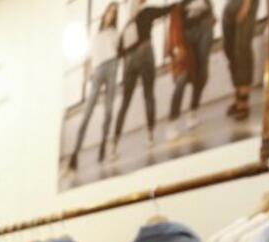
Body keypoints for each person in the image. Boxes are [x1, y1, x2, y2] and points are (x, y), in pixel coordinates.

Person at [111, 0, 180, 161]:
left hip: (135, 57)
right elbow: (166, 10)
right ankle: (144, 137)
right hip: (138, 55)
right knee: (144, 97)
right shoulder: (138, 18)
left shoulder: (137, 19)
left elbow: (119, 53)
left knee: (134, 100)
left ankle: (120, 143)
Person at [68, 2, 121, 171]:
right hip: (98, 70)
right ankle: (74, 154)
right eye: (109, 12)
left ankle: (103, 146)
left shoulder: (115, 33)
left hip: (111, 67)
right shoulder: (95, 36)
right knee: (87, 113)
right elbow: (88, 59)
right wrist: (88, 75)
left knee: (108, 111)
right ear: (105, 14)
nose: (111, 15)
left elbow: (119, 52)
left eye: (114, 13)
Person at [167, 0, 216, 138]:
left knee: (202, 74)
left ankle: (193, 111)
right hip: (184, 37)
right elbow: (173, 23)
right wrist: (176, 47)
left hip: (204, 28)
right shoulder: (177, 8)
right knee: (181, 78)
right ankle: (173, 120)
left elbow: (209, 8)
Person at [222, 0, 259, 121]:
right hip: (230, 5)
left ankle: (243, 102)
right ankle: (238, 98)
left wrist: (246, 4)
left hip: (245, 3)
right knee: (230, 50)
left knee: (242, 49)